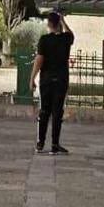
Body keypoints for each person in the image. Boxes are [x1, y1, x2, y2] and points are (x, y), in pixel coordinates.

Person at [30, 10, 74, 154]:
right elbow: (71, 34)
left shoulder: (44, 40)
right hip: (61, 80)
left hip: (47, 80)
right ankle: (55, 144)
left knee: (44, 111)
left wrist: (32, 78)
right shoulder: (66, 39)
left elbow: (39, 60)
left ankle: (40, 143)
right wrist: (63, 21)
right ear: (58, 23)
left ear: (49, 24)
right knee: (57, 112)